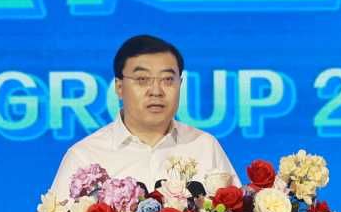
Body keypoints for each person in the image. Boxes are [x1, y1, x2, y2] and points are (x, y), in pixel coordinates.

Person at [44, 33, 236, 197]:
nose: (156, 91)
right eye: (142, 79)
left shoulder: (205, 147)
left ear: (181, 84)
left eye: (168, 79)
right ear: (119, 87)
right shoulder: (85, 157)